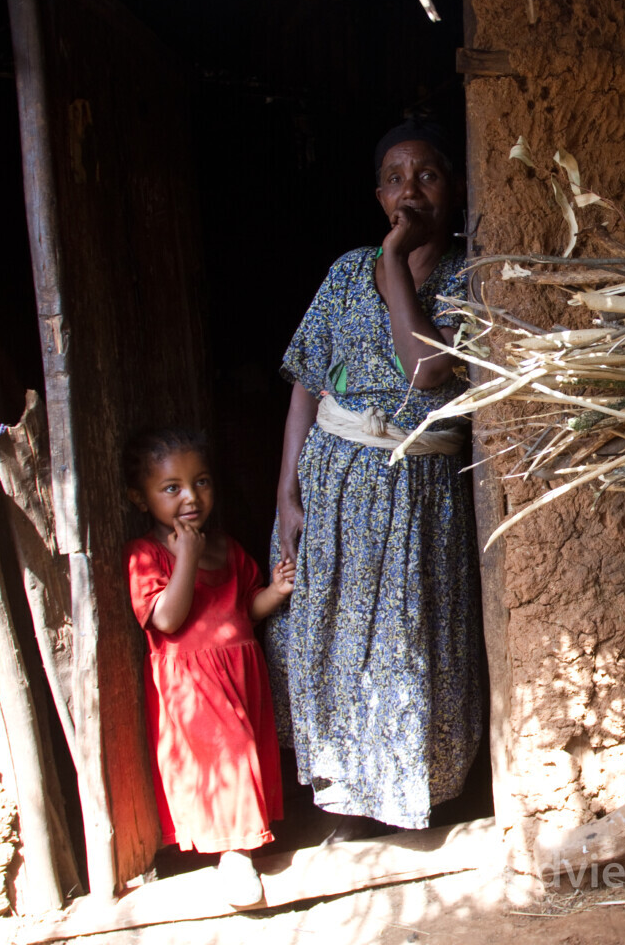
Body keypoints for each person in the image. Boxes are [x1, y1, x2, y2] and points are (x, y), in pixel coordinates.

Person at [266, 118, 484, 834]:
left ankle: (410, 790)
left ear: (454, 187)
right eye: (394, 177)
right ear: (377, 193)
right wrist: (287, 492)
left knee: (407, 642)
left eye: (426, 175)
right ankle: (342, 792)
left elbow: (426, 372)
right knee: (332, 637)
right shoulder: (344, 269)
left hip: (418, 493)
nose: (409, 190)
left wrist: (394, 264)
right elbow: (306, 381)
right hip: (333, 483)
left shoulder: (470, 278)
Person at [123, 427, 292, 907]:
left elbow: (244, 611)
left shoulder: (229, 548)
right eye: (171, 487)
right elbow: (168, 619)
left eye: (201, 482)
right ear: (141, 498)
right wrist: (187, 558)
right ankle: (236, 857)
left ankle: (232, 845)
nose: (191, 497)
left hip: (240, 673)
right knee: (227, 757)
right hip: (191, 682)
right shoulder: (145, 555)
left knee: (243, 755)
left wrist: (274, 593)